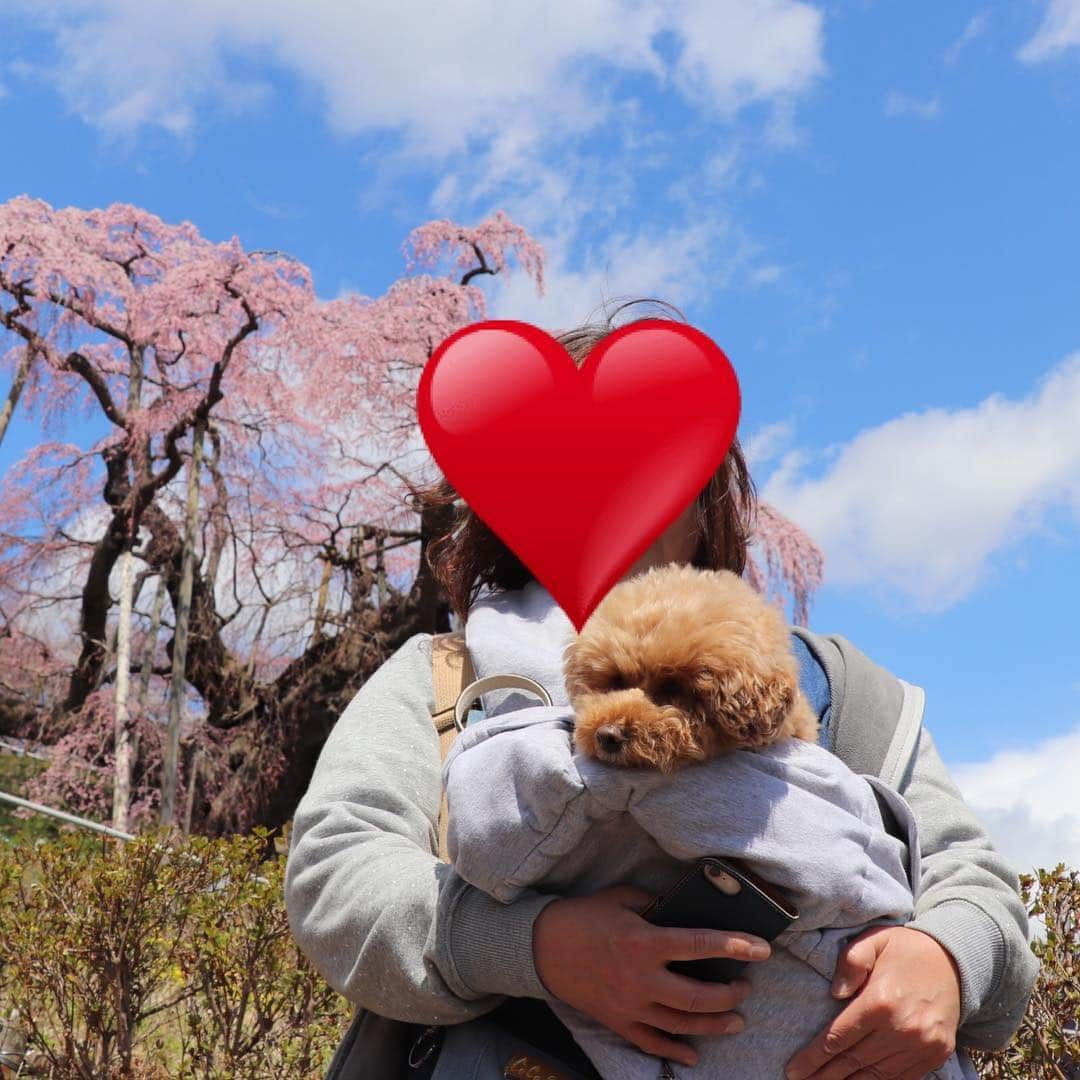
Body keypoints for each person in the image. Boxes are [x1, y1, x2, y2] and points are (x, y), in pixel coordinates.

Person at [284, 303, 1038, 1079]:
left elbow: (971, 881)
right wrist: (534, 948)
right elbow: (335, 873)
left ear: (708, 495)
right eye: (556, 468)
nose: (598, 495)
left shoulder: (843, 691)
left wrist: (945, 960)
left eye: (639, 463)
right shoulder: (444, 676)